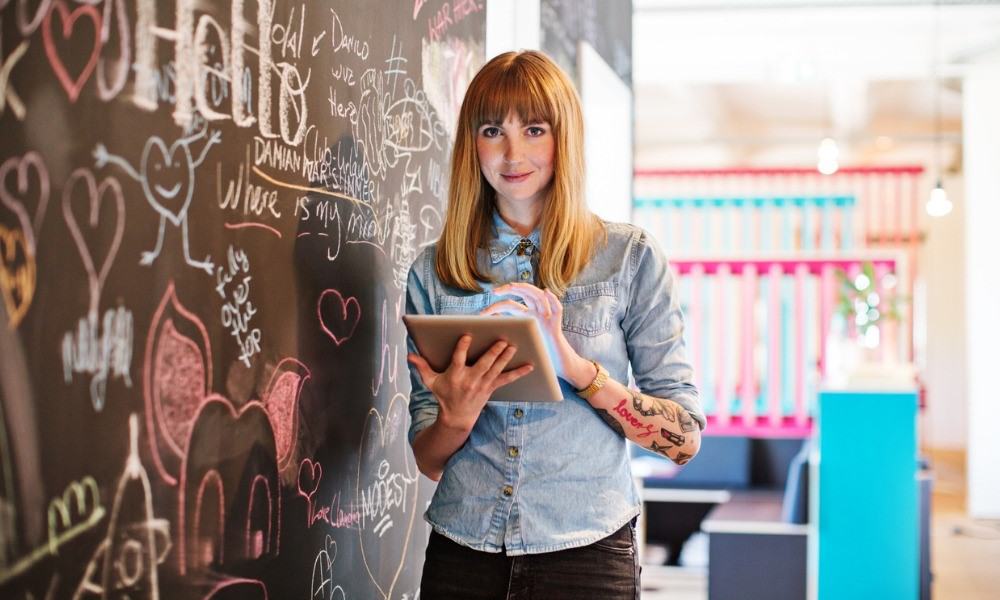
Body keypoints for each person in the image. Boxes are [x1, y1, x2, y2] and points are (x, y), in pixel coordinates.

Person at [405, 49, 705, 600]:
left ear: (562, 139)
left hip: (586, 553)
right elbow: (427, 459)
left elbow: (683, 439)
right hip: (462, 551)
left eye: (535, 129)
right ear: (472, 144)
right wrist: (457, 413)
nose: (513, 153)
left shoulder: (628, 257)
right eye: (493, 129)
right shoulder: (436, 270)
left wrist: (570, 364)